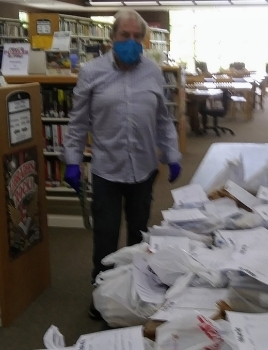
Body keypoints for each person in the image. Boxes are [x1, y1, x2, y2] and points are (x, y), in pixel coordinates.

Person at [63, 9, 182, 319]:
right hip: (107, 169)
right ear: (112, 37)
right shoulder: (91, 72)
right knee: (105, 235)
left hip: (144, 168)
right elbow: (77, 124)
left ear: (143, 39)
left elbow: (162, 119)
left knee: (139, 235)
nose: (131, 42)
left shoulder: (153, 72)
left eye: (136, 37)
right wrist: (72, 161)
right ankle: (101, 294)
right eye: (124, 36)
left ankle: (135, 293)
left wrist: (173, 154)